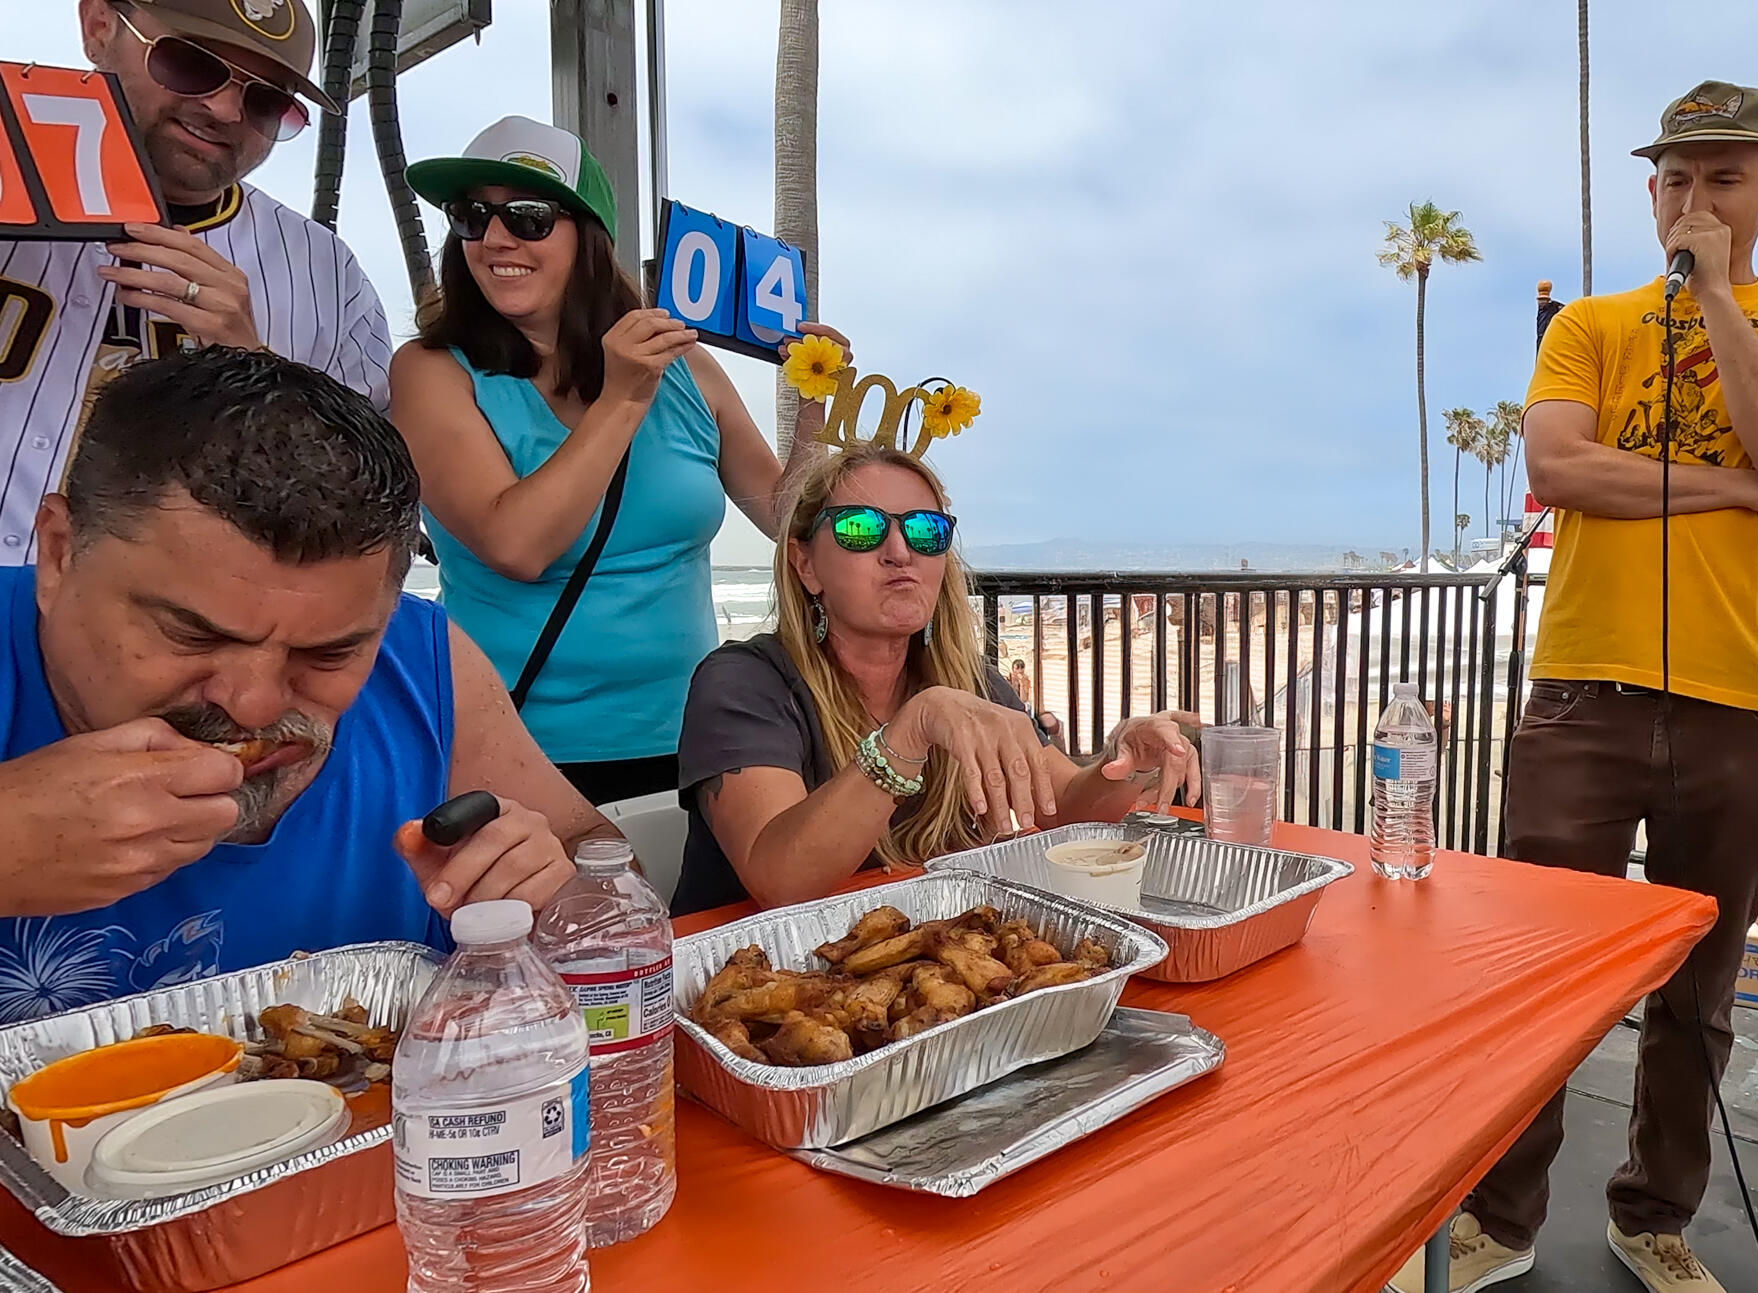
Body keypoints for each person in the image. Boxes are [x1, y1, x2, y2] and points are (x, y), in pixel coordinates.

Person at [1392, 83, 1758, 1293]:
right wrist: (1744, 497)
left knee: (1700, 993)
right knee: (1534, 973)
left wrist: (1714, 295)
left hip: (1743, 698)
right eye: (1675, 177)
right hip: (1583, 695)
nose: (1695, 197)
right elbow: (1561, 468)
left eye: (1724, 176)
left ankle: (1652, 1215)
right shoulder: (1590, 326)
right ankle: (1499, 1221)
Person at [0, 347, 618, 1024]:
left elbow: (597, 862)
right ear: (59, 553)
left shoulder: (421, 657)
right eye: (195, 635)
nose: (257, 702)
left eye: (327, 653)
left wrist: (553, 895)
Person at [390, 116, 848, 808]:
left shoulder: (688, 368)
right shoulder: (432, 372)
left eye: (529, 216)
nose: (495, 238)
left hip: (698, 744)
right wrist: (622, 399)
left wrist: (814, 403)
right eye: (471, 216)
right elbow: (517, 544)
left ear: (590, 238)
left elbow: (788, 519)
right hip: (517, 756)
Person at [675, 441, 1200, 915]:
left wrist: (1125, 762)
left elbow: (1061, 804)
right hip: (751, 990)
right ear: (805, 564)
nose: (901, 552)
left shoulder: (962, 679)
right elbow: (781, 880)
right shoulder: (743, 683)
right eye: (860, 528)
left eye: (926, 531)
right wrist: (909, 732)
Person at [0, 0, 391, 565]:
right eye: (191, 64)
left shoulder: (325, 272)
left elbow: (365, 506)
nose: (226, 109)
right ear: (98, 26)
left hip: (158, 636)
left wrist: (255, 379)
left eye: (267, 99)